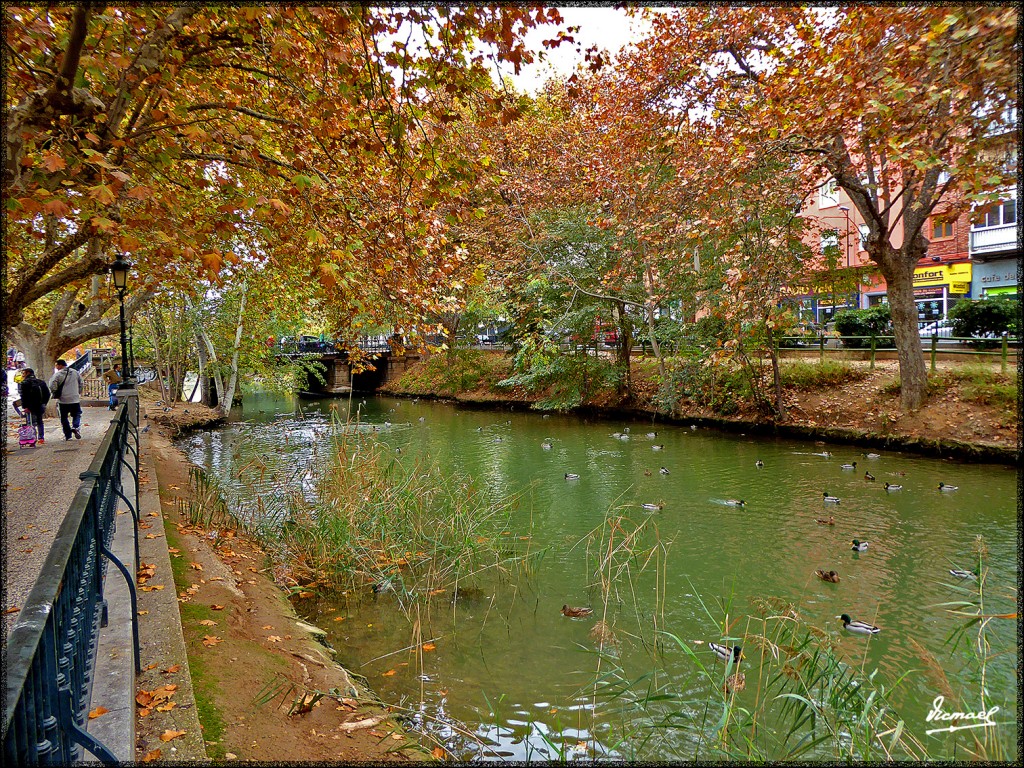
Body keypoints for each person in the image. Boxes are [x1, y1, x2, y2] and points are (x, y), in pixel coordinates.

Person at [49, 359, 84, 441]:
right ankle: (75, 426)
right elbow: (81, 383)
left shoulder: (57, 374)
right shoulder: (75, 372)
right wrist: (78, 392)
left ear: (60, 365)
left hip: (63, 400)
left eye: (57, 365)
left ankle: (68, 436)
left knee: (64, 417)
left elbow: (52, 385)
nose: (56, 367)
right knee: (77, 414)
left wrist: (55, 392)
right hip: (74, 398)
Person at [17, 367, 51, 444]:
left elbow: (23, 396)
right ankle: (41, 437)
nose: (23, 375)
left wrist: (25, 407)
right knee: (39, 421)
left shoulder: (24, 383)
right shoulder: (41, 382)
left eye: (24, 373)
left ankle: (32, 438)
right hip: (40, 405)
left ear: (28, 373)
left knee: (30, 422)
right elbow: (47, 394)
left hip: (30, 406)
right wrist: (44, 403)